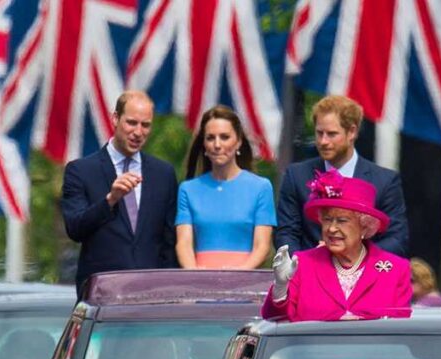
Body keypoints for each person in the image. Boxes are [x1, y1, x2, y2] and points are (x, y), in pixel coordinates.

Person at [61, 90, 177, 298]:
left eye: (145, 125)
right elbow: (75, 228)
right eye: (131, 123)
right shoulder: (81, 170)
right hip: (102, 295)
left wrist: (169, 289)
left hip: (152, 296)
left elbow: (169, 241)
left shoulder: (163, 174)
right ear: (115, 119)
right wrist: (110, 200)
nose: (138, 132)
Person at [262, 170, 411, 322]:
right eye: (327, 219)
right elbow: (275, 321)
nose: (332, 229)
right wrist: (280, 288)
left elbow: (400, 331)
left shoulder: (396, 270)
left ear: (365, 226)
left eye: (341, 220)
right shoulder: (302, 264)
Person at [275, 95, 408, 257]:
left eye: (331, 134)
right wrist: (307, 263)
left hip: (366, 277)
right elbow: (285, 233)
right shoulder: (296, 176)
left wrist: (357, 258)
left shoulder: (385, 181)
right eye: (319, 133)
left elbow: (397, 239)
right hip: (309, 276)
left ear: (352, 132)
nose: (323, 141)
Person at [175, 106, 275, 269]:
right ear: (204, 144)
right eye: (210, 138)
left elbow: (262, 247)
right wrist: (194, 275)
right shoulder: (188, 189)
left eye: (225, 137)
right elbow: (184, 244)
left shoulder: (261, 187)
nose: (217, 144)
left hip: (244, 285)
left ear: (238, 141)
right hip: (201, 284)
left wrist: (238, 275)